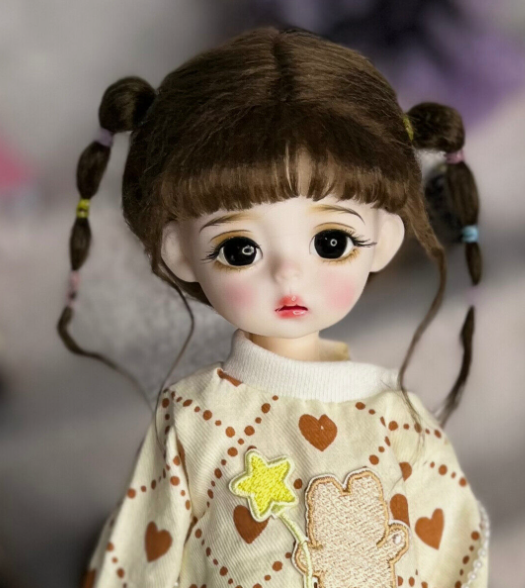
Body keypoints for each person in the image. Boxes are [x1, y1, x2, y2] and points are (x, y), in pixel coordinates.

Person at [61, 27, 486, 588]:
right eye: (240, 250)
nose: (288, 274)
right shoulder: (195, 417)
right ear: (179, 252)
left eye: (331, 242)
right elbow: (141, 563)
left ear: (384, 239)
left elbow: (453, 558)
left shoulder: (397, 417)